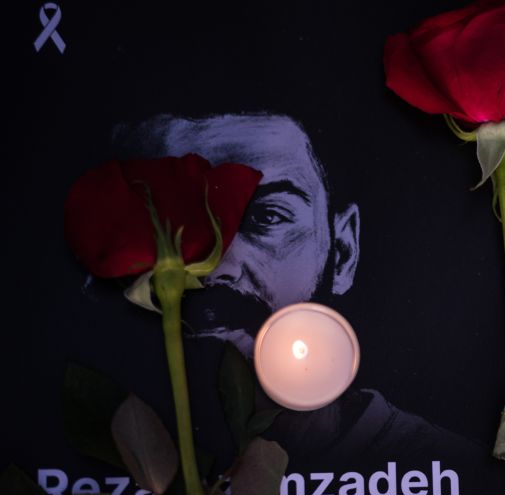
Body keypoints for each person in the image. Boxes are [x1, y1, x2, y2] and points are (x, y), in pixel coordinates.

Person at [112, 112, 481, 466]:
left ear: (343, 251)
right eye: (174, 227)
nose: (221, 266)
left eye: (268, 216)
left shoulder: (449, 468)